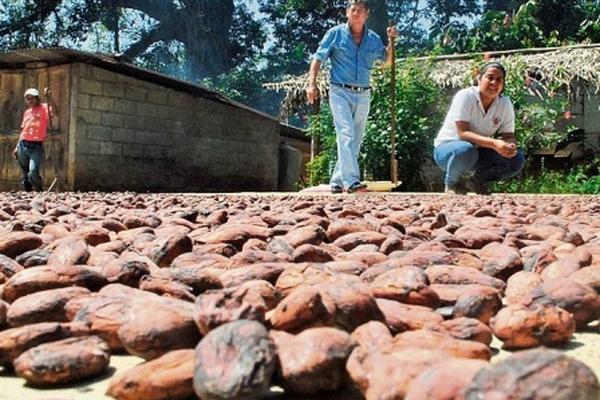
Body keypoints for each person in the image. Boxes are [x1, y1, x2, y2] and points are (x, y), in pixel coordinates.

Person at [307, 0, 397, 193]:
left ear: (367, 15)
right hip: (339, 90)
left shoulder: (373, 39)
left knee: (355, 140)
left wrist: (391, 41)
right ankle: (352, 182)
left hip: (363, 93)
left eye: (360, 11)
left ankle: (337, 181)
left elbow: (386, 63)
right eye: (353, 10)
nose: (356, 14)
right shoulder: (335, 34)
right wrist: (311, 84)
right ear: (347, 12)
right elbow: (318, 58)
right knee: (346, 133)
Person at [433, 61, 525, 195]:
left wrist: (510, 147)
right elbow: (463, 133)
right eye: (490, 77)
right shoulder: (466, 96)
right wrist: (494, 143)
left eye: (499, 80)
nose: (494, 83)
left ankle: (477, 181)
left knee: (517, 159)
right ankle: (451, 183)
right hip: (448, 152)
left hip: (476, 152)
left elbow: (508, 135)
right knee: (465, 149)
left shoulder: (505, 104)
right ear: (479, 79)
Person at [12, 87, 57, 192]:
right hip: (23, 144)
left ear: (38, 98)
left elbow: (55, 113)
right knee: (24, 171)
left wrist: (50, 98)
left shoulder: (45, 107)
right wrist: (17, 147)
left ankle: (38, 189)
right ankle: (28, 192)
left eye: (32, 98)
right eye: (28, 99)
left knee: (33, 170)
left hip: (36, 145)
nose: (30, 101)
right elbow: (24, 130)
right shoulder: (27, 112)